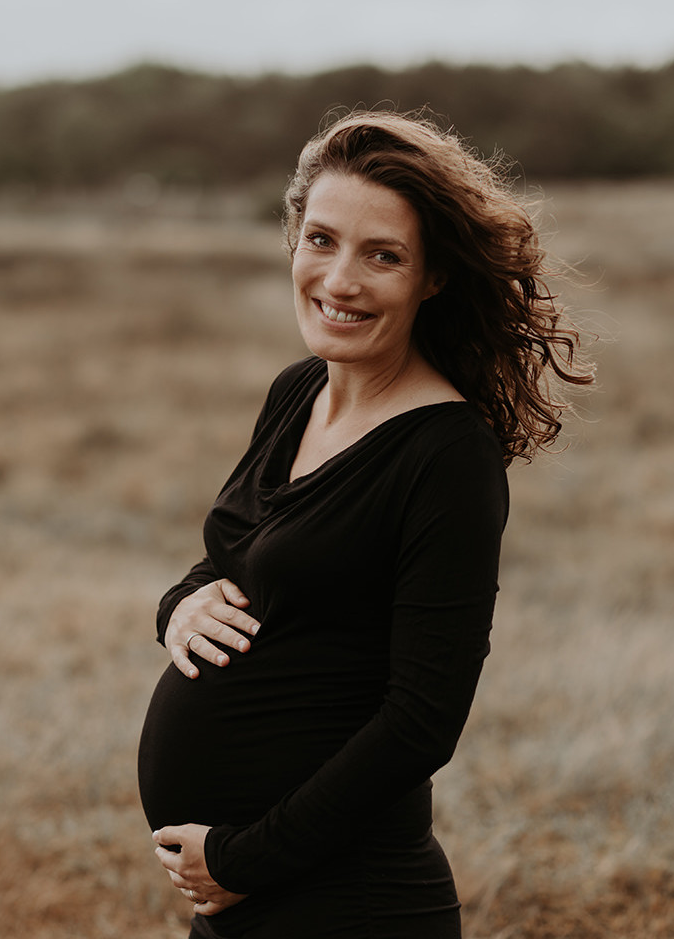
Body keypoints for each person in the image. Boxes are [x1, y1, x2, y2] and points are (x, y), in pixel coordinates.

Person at [137, 111, 593, 938]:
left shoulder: (447, 458)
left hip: (347, 899)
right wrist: (176, 606)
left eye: (382, 255)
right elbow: (240, 561)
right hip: (242, 902)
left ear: (434, 278)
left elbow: (422, 720)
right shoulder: (297, 391)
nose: (339, 280)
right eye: (321, 240)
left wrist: (247, 861)